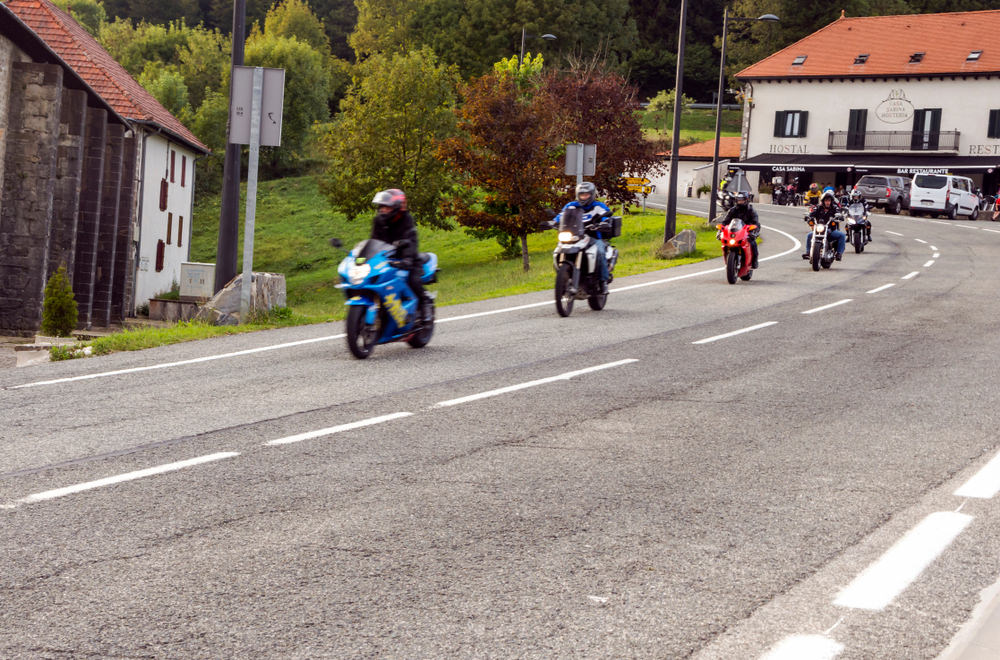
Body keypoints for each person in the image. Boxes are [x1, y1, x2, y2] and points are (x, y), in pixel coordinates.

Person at [369, 188, 432, 322]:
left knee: (413, 280)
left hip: (407, 257)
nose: (382, 210)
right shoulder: (378, 221)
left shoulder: (406, 219)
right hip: (387, 258)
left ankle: (425, 303)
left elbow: (411, 241)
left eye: (386, 207)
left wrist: (407, 259)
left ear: (396, 207)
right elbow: (373, 240)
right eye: (381, 207)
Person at [557, 181, 612, 293]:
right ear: (578, 195)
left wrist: (605, 222)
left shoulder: (598, 206)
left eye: (586, 194)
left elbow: (605, 215)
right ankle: (563, 278)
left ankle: (603, 282)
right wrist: (552, 222)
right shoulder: (571, 206)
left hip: (594, 237)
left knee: (600, 251)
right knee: (558, 249)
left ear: (592, 195)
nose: (584, 197)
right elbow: (561, 216)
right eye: (582, 194)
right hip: (575, 236)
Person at [803, 190, 846, 260]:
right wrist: (808, 216)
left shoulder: (834, 208)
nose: (827, 202)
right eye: (826, 200)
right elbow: (812, 213)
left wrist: (840, 216)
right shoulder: (818, 208)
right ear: (823, 201)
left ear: (831, 201)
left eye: (829, 201)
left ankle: (839, 253)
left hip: (830, 230)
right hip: (819, 229)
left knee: (842, 235)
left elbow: (838, 213)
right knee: (809, 235)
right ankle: (808, 253)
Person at [722, 191, 760, 269]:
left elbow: (756, 223)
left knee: (753, 244)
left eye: (742, 200)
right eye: (738, 200)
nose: (740, 202)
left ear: (746, 200)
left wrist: (754, 231)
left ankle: (754, 261)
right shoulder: (732, 210)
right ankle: (728, 261)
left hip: (747, 232)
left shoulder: (751, 210)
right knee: (725, 244)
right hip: (735, 232)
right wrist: (721, 229)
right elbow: (726, 221)